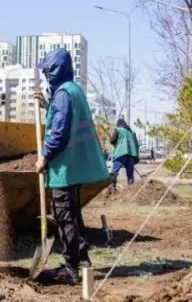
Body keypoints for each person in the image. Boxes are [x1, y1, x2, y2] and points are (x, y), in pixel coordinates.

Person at [34, 48, 109, 284]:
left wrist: (44, 157)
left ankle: (70, 269)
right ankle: (83, 261)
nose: (44, 76)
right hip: (74, 166)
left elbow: (58, 131)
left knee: (65, 216)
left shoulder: (63, 95)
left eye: (46, 71)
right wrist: (48, 105)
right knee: (73, 216)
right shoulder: (72, 91)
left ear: (54, 72)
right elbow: (63, 116)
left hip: (64, 168)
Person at [109, 118, 140, 191]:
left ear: (118, 124)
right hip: (131, 155)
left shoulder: (118, 130)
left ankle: (112, 188)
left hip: (120, 154)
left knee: (114, 172)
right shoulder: (132, 132)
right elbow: (136, 145)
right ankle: (130, 190)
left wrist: (113, 141)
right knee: (130, 175)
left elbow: (112, 141)